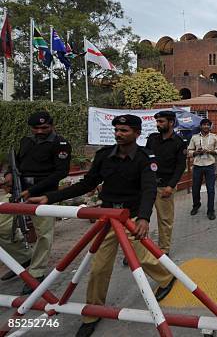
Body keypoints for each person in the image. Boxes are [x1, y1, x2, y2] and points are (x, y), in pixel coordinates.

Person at [27, 114, 176, 337]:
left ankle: (166, 279)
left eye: (124, 130)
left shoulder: (145, 158)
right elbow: (87, 183)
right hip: (107, 219)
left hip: (131, 218)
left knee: (144, 258)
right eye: (116, 130)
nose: (119, 134)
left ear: (136, 133)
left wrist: (144, 218)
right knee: (98, 268)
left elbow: (148, 189)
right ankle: (92, 313)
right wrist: (49, 197)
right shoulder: (104, 156)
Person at [0, 111, 71, 294]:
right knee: (3, 226)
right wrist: (8, 174)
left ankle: (36, 272)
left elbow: (61, 172)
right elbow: (16, 161)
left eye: (44, 127)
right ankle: (24, 259)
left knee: (44, 234)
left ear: (52, 125)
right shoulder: (26, 141)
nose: (40, 131)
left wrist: (32, 191)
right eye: (36, 128)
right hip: (19, 190)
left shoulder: (60, 144)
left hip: (44, 193)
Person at [145, 110, 187, 255]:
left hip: (165, 186)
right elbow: (145, 159)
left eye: (161, 121)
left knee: (164, 220)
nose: (158, 124)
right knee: (141, 218)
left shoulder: (179, 142)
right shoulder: (152, 139)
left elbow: (180, 166)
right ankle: (139, 248)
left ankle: (163, 250)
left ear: (171, 123)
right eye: (157, 121)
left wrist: (171, 185)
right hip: (147, 185)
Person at [187, 118, 217, 219]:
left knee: (211, 189)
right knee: (195, 188)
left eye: (208, 125)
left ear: (210, 127)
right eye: (204, 125)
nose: (206, 126)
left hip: (210, 166)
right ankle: (196, 205)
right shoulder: (194, 137)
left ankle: (210, 210)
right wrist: (197, 152)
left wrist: (210, 151)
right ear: (201, 126)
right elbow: (189, 151)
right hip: (197, 166)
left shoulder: (215, 137)